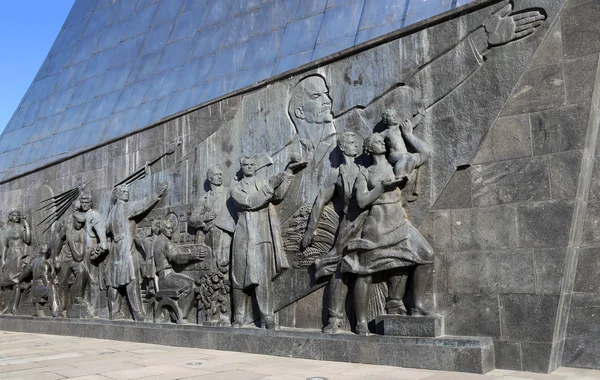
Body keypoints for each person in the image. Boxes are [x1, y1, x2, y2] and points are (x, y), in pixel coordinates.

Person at [341, 134, 434, 335]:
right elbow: (363, 201)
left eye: (383, 140)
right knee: (365, 272)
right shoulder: (364, 173)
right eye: (376, 141)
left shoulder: (397, 164)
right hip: (377, 225)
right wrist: (382, 187)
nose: (382, 142)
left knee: (427, 255)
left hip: (399, 222)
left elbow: (425, 153)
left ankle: (416, 304)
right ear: (368, 148)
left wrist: (409, 134)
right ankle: (361, 321)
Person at [230, 155, 306, 329]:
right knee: (239, 278)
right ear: (241, 167)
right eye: (245, 164)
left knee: (264, 279)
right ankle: (239, 316)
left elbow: (277, 196)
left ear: (255, 166)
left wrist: (287, 173)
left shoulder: (263, 182)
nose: (249, 166)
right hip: (243, 238)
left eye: (251, 164)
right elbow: (250, 202)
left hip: (263, 236)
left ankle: (267, 317)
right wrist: (271, 185)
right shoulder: (235, 189)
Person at [300, 132, 364, 333]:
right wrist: (310, 229)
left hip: (370, 222)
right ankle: (334, 318)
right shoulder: (337, 174)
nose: (356, 146)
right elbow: (320, 200)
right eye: (352, 143)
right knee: (339, 268)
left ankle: (363, 320)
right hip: (349, 224)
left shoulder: (365, 170)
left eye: (357, 143)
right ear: (343, 148)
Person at [105, 182, 168, 321]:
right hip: (124, 249)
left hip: (116, 249)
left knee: (115, 281)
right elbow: (143, 204)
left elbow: (107, 228)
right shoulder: (125, 207)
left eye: (127, 191)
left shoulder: (112, 211)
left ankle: (114, 312)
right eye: (123, 191)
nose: (126, 192)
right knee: (131, 279)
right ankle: (137, 313)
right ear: (116, 194)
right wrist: (156, 194)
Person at [189, 165, 235, 324]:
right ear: (210, 178)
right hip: (209, 238)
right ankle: (211, 312)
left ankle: (225, 313)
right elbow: (192, 220)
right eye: (216, 174)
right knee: (211, 273)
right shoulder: (203, 199)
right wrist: (204, 217)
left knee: (225, 270)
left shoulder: (229, 192)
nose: (220, 176)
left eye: (221, 174)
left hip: (225, 235)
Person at [153, 220, 206, 322]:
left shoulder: (157, 241)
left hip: (163, 276)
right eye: (168, 228)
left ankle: (177, 312)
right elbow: (177, 258)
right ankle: (180, 315)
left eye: (172, 229)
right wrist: (193, 255)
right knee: (190, 285)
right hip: (166, 277)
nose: (171, 231)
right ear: (162, 229)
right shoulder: (165, 243)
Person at [380, 108, 430, 180]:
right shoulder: (385, 133)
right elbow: (378, 139)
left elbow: (412, 124)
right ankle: (398, 174)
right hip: (393, 154)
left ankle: (407, 173)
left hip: (404, 153)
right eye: (391, 115)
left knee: (411, 157)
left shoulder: (400, 128)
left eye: (395, 115)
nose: (394, 117)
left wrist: (420, 115)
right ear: (385, 120)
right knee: (404, 156)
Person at [0, 209, 31, 315]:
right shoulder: (8, 230)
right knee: (6, 282)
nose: (17, 216)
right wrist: (3, 260)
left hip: (18, 255)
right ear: (10, 216)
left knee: (16, 281)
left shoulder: (21, 228)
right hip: (9, 256)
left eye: (18, 214)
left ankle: (14, 307)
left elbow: (28, 239)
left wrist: (26, 225)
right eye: (14, 214)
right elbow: (5, 246)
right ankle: (6, 307)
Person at [19, 244, 60, 317]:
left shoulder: (33, 261)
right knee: (52, 288)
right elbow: (47, 283)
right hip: (39, 290)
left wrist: (19, 278)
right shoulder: (45, 264)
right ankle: (56, 312)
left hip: (34, 289)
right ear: (48, 252)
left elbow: (25, 273)